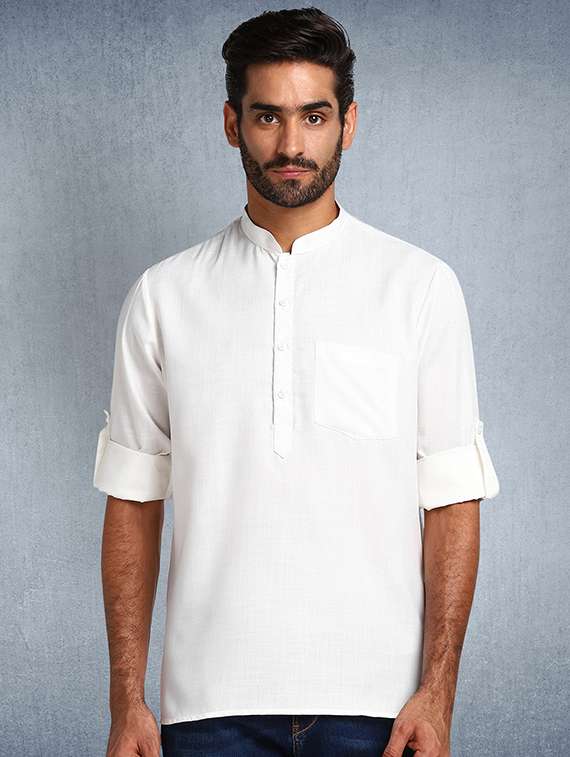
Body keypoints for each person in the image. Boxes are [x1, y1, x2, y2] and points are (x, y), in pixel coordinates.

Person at [93, 7, 500, 757]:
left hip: (381, 709)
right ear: (231, 124)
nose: (290, 145)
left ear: (349, 123)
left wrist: (439, 694)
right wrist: (127, 701)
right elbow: (133, 501)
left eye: (314, 116)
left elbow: (452, 502)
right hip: (204, 708)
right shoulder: (164, 296)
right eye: (267, 116)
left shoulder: (419, 288)